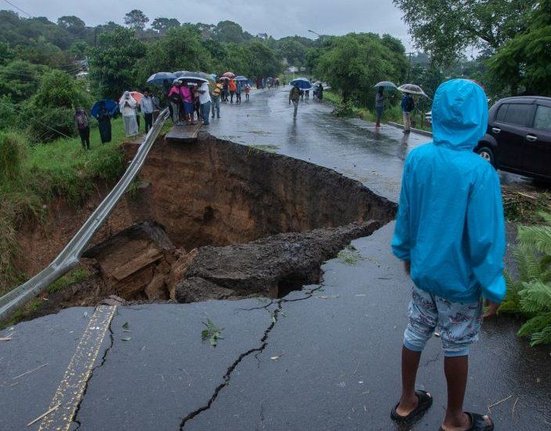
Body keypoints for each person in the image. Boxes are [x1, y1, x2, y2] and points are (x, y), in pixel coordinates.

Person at [390, 79, 504, 431]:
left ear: (437, 111)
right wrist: (493, 286)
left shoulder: (418, 159)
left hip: (424, 273)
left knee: (415, 331)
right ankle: (454, 419)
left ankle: (408, 401)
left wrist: (406, 253)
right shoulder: (479, 171)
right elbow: (485, 238)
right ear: (477, 117)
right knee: (456, 345)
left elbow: (407, 212)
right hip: (459, 282)